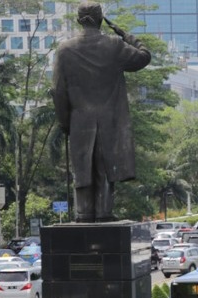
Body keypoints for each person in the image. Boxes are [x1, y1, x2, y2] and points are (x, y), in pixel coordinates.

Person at [52, 3, 151, 223]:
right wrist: (125, 34)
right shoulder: (114, 45)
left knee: (82, 170)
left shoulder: (65, 50)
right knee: (106, 167)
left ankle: (84, 213)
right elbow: (144, 57)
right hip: (109, 120)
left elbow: (58, 91)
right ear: (100, 19)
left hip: (79, 121)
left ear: (79, 20)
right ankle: (104, 212)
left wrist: (65, 123)